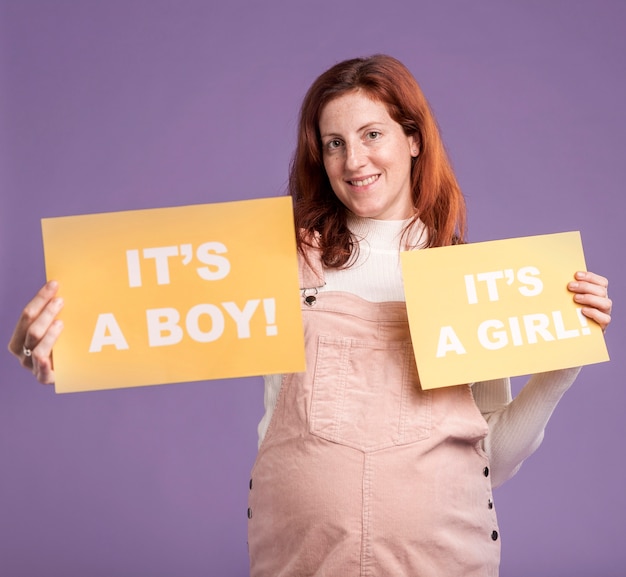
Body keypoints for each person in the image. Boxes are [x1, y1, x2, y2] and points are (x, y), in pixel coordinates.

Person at [8, 55, 612, 576]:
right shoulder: (271, 260)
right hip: (299, 557)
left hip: (444, 560)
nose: (355, 160)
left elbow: (491, 464)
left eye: (373, 134)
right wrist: (65, 345)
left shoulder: (473, 280)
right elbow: (142, 322)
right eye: (334, 143)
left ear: (413, 139)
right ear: (319, 157)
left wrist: (560, 370)